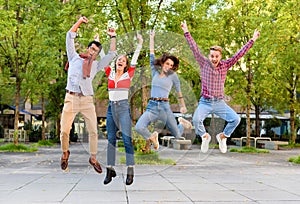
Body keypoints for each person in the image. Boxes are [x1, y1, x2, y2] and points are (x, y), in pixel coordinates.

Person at [181, 21, 260, 153]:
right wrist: (186, 31)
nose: (214, 59)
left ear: (220, 57)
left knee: (235, 119)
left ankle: (222, 136)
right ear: (209, 56)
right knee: (196, 119)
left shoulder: (225, 65)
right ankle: (205, 136)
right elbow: (194, 48)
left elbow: (239, 54)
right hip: (205, 102)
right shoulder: (203, 63)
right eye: (212, 56)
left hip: (219, 102)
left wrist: (252, 39)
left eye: (216, 56)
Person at [60, 16, 117, 173]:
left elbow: (112, 54)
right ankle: (65, 153)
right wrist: (79, 21)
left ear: (97, 54)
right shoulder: (73, 58)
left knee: (93, 130)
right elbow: (69, 36)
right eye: (91, 49)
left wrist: (112, 37)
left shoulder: (97, 65)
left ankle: (93, 158)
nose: (93, 52)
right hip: (70, 98)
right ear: (87, 49)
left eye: (96, 51)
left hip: (86, 100)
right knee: (64, 130)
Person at [135, 30, 192, 152]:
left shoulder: (173, 76)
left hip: (165, 107)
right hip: (152, 106)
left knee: (178, 136)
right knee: (139, 127)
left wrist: (182, 106)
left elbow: (178, 92)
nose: (169, 67)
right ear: (162, 63)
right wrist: (151, 38)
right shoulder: (154, 72)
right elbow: (151, 54)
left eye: (171, 65)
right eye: (167, 64)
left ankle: (181, 123)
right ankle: (152, 137)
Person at [102, 33, 143, 186]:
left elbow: (135, 59)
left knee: (127, 140)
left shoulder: (128, 74)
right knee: (111, 140)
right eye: (119, 59)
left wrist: (139, 44)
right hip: (111, 109)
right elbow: (104, 58)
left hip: (123, 108)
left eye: (123, 60)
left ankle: (130, 171)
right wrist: (101, 43)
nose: (121, 61)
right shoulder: (110, 73)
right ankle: (110, 170)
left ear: (126, 64)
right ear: (116, 62)